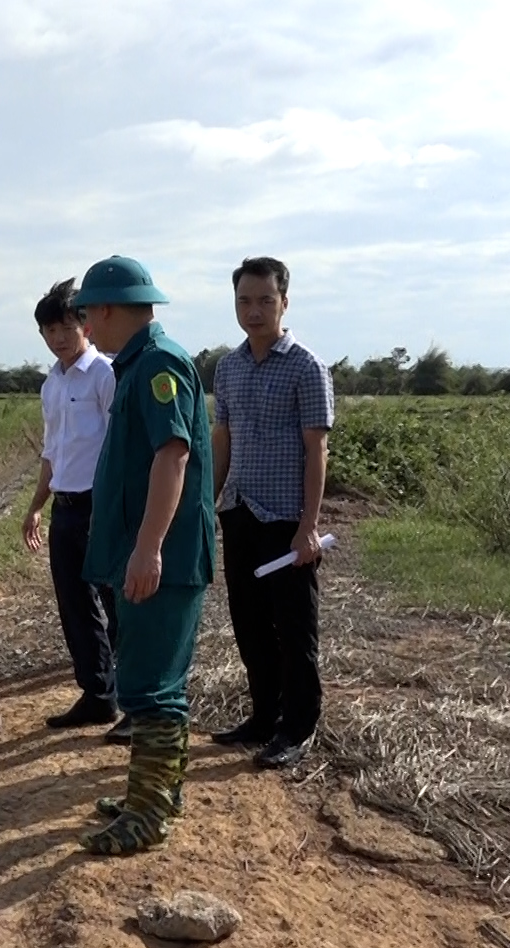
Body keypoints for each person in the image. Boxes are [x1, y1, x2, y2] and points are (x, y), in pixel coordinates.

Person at [74, 255, 216, 857]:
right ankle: (157, 795)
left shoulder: (158, 364)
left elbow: (173, 454)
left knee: (152, 688)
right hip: (152, 553)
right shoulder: (137, 365)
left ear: (106, 310)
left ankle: (148, 816)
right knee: (154, 680)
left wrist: (149, 547)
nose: (84, 327)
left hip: (166, 556)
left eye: (85, 314)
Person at [209, 256, 333, 770]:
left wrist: (308, 527)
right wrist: (208, 502)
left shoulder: (306, 367)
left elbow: (316, 451)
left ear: (285, 301)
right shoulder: (228, 368)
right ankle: (264, 716)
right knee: (250, 623)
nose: (253, 311)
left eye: (264, 300)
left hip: (286, 522)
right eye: (244, 300)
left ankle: (298, 728)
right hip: (239, 512)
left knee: (293, 628)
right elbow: (223, 440)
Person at [21, 278, 125, 740]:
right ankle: (98, 694)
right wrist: (35, 506)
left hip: (100, 505)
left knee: (112, 602)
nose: (59, 337)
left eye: (66, 325)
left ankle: (125, 692)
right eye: (49, 329)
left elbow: (121, 446)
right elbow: (51, 452)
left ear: (84, 324)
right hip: (65, 506)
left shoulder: (105, 374)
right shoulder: (52, 385)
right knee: (75, 603)